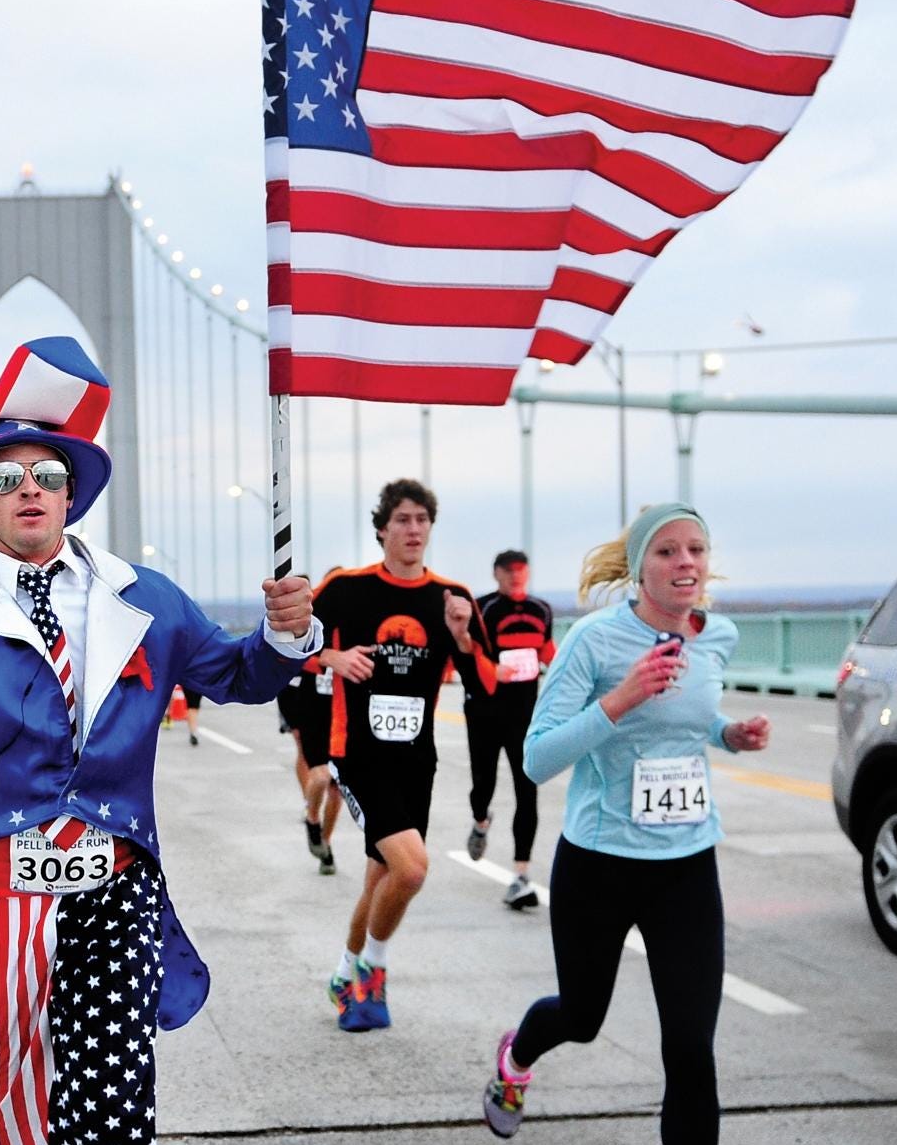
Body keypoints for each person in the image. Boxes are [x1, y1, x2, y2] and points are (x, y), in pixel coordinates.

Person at [0, 336, 320, 1144]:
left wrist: (284, 637)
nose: (29, 489)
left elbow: (237, 675)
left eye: (48, 476)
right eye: (6, 478)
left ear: (70, 496)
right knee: (12, 1101)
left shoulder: (148, 599)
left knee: (111, 1104)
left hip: (115, 881)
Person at [481, 505, 770, 1141]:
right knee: (582, 1017)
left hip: (687, 865)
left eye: (695, 548)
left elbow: (690, 727)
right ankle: (517, 1057)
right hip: (599, 865)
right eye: (667, 551)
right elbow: (536, 759)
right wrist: (620, 698)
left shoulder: (717, 636)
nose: (685, 561)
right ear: (640, 566)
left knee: (691, 1049)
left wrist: (729, 735)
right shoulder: (595, 639)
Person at [314, 479, 495, 1032]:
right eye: (403, 520)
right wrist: (333, 658)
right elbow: (284, 648)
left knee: (380, 880)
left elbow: (485, 685)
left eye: (422, 520)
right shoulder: (348, 588)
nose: (414, 529)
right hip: (358, 757)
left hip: (417, 761)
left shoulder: (450, 597)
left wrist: (463, 638)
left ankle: (346, 973)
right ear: (382, 529)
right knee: (412, 871)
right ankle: (373, 973)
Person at [467, 550, 558, 910]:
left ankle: (521, 875)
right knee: (483, 785)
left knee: (527, 790)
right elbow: (469, 654)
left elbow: (549, 652)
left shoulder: (542, 610)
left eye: (521, 572)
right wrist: (492, 670)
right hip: (485, 713)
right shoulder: (483, 609)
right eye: (509, 572)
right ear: (497, 574)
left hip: (525, 716)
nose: (516, 578)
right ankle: (480, 821)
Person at [276, 575, 342, 875]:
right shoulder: (313, 623)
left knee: (338, 787)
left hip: (342, 710)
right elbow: (292, 657)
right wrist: (327, 661)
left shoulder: (357, 624)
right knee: (318, 770)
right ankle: (311, 810)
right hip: (306, 701)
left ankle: (324, 844)